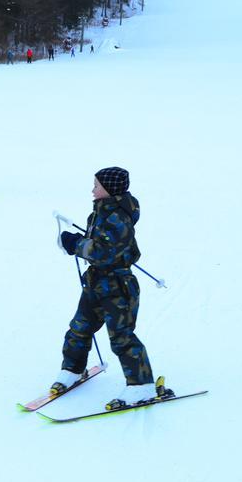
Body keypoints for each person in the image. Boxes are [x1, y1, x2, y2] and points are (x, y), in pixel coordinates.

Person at [54, 167, 167, 410]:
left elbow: (105, 253)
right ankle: (72, 370)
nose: (92, 189)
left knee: (121, 337)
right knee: (79, 328)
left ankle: (141, 385)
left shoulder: (118, 217)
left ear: (110, 189)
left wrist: (76, 244)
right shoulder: (100, 211)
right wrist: (81, 240)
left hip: (118, 287)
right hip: (96, 282)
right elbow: (99, 242)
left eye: (97, 185)